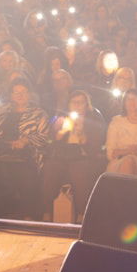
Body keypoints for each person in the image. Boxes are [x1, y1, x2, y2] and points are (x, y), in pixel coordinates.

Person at [0, 77, 50, 219]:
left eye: (23, 92)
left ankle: (22, 215)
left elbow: (45, 138)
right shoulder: (2, 111)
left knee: (13, 171)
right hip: (0, 151)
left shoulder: (38, 113)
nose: (20, 95)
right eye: (16, 92)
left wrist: (26, 140)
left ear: (29, 94)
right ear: (11, 95)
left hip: (25, 154)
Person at [41, 90, 107, 222]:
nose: (77, 105)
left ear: (86, 104)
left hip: (83, 155)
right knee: (50, 169)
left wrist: (82, 133)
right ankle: (46, 212)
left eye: (81, 102)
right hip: (62, 153)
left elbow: (96, 145)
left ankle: (82, 214)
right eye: (74, 102)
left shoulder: (94, 117)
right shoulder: (61, 116)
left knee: (80, 171)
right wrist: (61, 133)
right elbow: (50, 139)